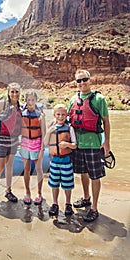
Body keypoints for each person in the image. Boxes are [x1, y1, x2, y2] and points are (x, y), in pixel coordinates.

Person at [68, 69, 111, 222]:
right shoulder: (73, 99)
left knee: (95, 176)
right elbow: (67, 121)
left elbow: (106, 121)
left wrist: (107, 143)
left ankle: (94, 208)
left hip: (93, 144)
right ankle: (86, 198)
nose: (82, 83)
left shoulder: (99, 99)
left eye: (84, 79)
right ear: (76, 83)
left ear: (89, 80)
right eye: (78, 81)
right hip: (78, 144)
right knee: (83, 173)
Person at [0, 82, 22, 208]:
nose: (14, 94)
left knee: (10, 167)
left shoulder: (20, 107)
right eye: (12, 91)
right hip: (1, 140)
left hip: (13, 141)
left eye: (16, 91)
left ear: (20, 93)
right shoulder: (2, 104)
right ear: (8, 93)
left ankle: (8, 191)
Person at [44, 104, 77, 216]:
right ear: (54, 115)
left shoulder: (70, 128)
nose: (61, 117)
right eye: (58, 114)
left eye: (63, 114)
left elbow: (74, 145)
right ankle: (55, 203)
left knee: (67, 184)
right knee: (54, 183)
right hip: (54, 161)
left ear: (66, 115)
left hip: (66, 160)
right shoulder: (51, 128)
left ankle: (68, 204)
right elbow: (45, 143)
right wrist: (48, 132)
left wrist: (67, 144)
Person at [20, 91, 46, 205]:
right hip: (25, 143)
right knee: (26, 169)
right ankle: (27, 192)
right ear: (25, 101)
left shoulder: (40, 115)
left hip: (37, 143)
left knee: (39, 169)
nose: (30, 102)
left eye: (33, 100)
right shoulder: (21, 113)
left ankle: (39, 193)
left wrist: (42, 149)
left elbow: (44, 133)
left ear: (36, 101)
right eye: (28, 100)